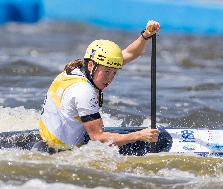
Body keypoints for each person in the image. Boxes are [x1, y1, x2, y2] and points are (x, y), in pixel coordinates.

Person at [35, 20, 161, 153]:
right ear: (91, 66)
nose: (110, 78)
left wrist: (145, 35)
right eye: (106, 72)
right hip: (60, 153)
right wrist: (139, 135)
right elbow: (97, 137)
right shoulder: (83, 91)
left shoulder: (76, 68)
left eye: (114, 72)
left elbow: (131, 53)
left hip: (45, 139)